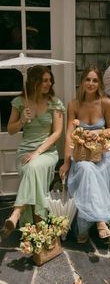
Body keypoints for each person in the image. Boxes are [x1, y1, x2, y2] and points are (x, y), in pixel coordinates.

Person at [1, 65, 65, 239]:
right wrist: (22, 119)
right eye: (44, 80)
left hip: (47, 152)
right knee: (31, 168)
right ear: (34, 82)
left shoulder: (55, 103)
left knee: (33, 167)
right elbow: (11, 130)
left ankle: (16, 214)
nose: (49, 83)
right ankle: (39, 226)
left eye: (50, 80)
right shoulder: (20, 102)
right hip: (24, 152)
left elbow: (57, 133)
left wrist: (37, 152)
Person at [59, 65, 110, 243]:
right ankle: (99, 221)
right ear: (82, 81)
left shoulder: (106, 102)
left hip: (103, 153)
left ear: (99, 83)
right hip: (82, 152)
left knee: (93, 171)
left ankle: (85, 227)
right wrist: (67, 162)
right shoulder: (74, 104)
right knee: (85, 169)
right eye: (88, 79)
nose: (91, 83)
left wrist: (99, 133)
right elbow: (69, 134)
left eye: (95, 80)